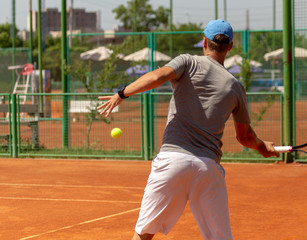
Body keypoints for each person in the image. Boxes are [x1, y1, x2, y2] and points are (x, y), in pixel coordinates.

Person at [97, 19, 279, 240]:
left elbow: (156, 77)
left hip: (171, 161)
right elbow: (245, 137)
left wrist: (121, 93)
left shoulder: (187, 62)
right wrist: (262, 146)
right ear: (230, 47)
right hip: (208, 168)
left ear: (204, 42)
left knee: (143, 234)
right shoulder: (235, 86)